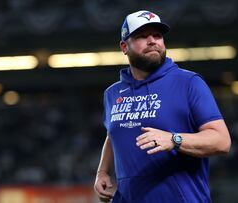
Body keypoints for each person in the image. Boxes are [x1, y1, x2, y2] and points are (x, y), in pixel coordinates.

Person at [94, 10, 231, 203]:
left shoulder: (188, 82)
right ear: (124, 47)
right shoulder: (112, 94)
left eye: (157, 35)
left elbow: (222, 141)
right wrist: (102, 172)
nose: (152, 41)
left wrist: (174, 139)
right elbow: (114, 132)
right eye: (142, 36)